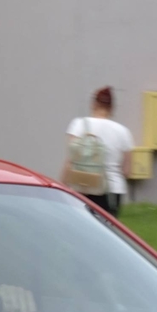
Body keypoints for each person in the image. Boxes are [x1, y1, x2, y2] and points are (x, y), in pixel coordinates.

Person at [62, 87, 138, 217]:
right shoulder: (123, 132)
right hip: (112, 190)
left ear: (93, 104)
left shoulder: (78, 125)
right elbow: (126, 171)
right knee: (106, 234)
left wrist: (63, 185)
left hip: (83, 186)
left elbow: (71, 160)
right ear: (112, 107)